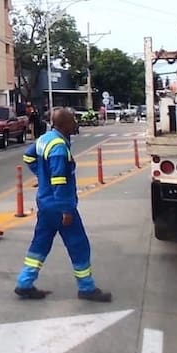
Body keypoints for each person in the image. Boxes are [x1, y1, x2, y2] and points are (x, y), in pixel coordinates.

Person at [15, 107, 111, 302]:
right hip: (60, 206)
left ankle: (24, 283)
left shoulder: (45, 138)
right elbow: (59, 180)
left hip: (45, 203)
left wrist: (42, 177)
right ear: (64, 124)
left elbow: (28, 156)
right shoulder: (58, 146)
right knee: (79, 245)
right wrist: (65, 209)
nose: (76, 123)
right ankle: (86, 288)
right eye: (73, 121)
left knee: (40, 244)